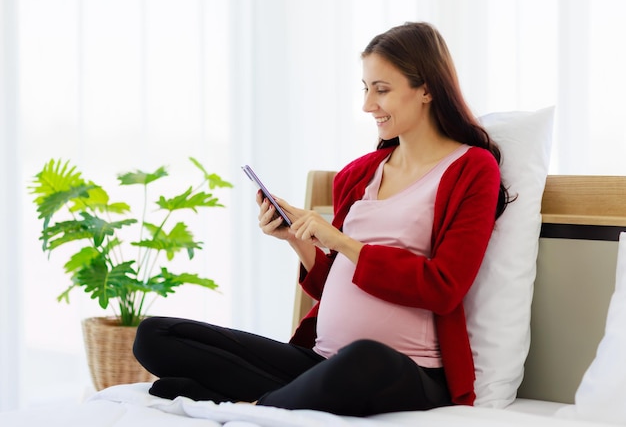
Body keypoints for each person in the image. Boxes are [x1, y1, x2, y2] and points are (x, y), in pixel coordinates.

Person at [133, 21, 512, 417]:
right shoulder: (359, 174)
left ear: (427, 89)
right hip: (322, 361)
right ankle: (282, 396)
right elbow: (335, 282)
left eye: (382, 90)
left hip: (405, 370)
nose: (368, 105)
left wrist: (341, 241)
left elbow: (444, 287)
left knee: (365, 358)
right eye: (366, 89)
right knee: (154, 336)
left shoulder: (472, 168)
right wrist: (297, 239)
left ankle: (253, 406)